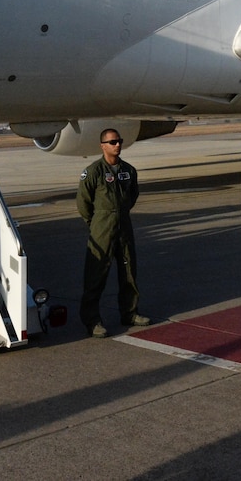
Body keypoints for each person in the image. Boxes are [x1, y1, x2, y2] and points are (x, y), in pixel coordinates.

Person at [76, 128, 151, 337]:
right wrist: (96, 222)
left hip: (123, 226)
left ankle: (130, 313)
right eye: (112, 142)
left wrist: (120, 213)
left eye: (119, 141)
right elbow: (83, 202)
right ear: (102, 146)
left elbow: (132, 195)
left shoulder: (129, 170)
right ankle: (92, 321)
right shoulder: (93, 172)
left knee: (128, 272)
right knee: (96, 275)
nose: (116, 145)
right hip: (102, 227)